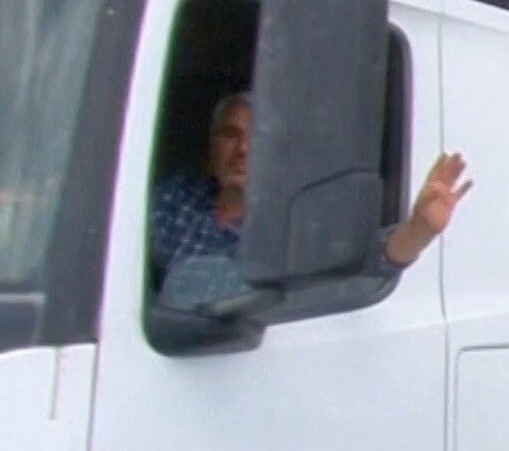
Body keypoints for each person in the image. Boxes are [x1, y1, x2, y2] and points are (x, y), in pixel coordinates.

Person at [149, 91, 473, 312]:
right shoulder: (171, 200)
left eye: (259, 137)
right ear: (212, 146)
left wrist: (419, 230)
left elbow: (364, 264)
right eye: (231, 135)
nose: (244, 149)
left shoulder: (297, 228)